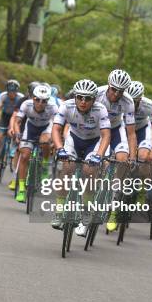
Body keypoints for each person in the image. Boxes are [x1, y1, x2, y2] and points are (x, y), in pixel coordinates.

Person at [52, 79, 111, 234]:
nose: (83, 102)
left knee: (89, 172)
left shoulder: (101, 109)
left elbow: (106, 136)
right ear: (75, 96)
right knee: (67, 169)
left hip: (94, 142)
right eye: (80, 97)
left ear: (94, 99)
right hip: (74, 139)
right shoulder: (66, 106)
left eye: (88, 98)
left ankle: (85, 214)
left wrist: (99, 156)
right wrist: (59, 149)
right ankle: (59, 212)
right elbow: (56, 129)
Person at [96, 69, 136, 232]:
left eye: (120, 91)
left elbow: (131, 133)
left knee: (122, 159)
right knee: (101, 162)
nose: (116, 93)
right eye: (113, 89)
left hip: (116, 129)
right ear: (108, 85)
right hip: (98, 130)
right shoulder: (97, 93)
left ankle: (113, 207)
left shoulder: (128, 102)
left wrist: (132, 157)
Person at [12, 84, 58, 203]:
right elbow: (17, 122)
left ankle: (45, 164)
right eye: (37, 100)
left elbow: (58, 125)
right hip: (30, 128)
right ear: (33, 98)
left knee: (44, 142)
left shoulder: (52, 107)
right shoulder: (26, 104)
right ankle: (22, 189)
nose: (40, 103)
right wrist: (17, 134)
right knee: (25, 156)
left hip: (45, 128)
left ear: (47, 101)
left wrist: (54, 140)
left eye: (44, 101)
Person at [0, 80, 23, 177]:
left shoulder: (20, 98)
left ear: (16, 92)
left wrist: (14, 126)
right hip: (4, 117)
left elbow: (20, 115)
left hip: (16, 119)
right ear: (7, 91)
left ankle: (13, 148)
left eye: (13, 92)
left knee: (15, 134)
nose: (11, 94)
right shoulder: (3, 96)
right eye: (9, 92)